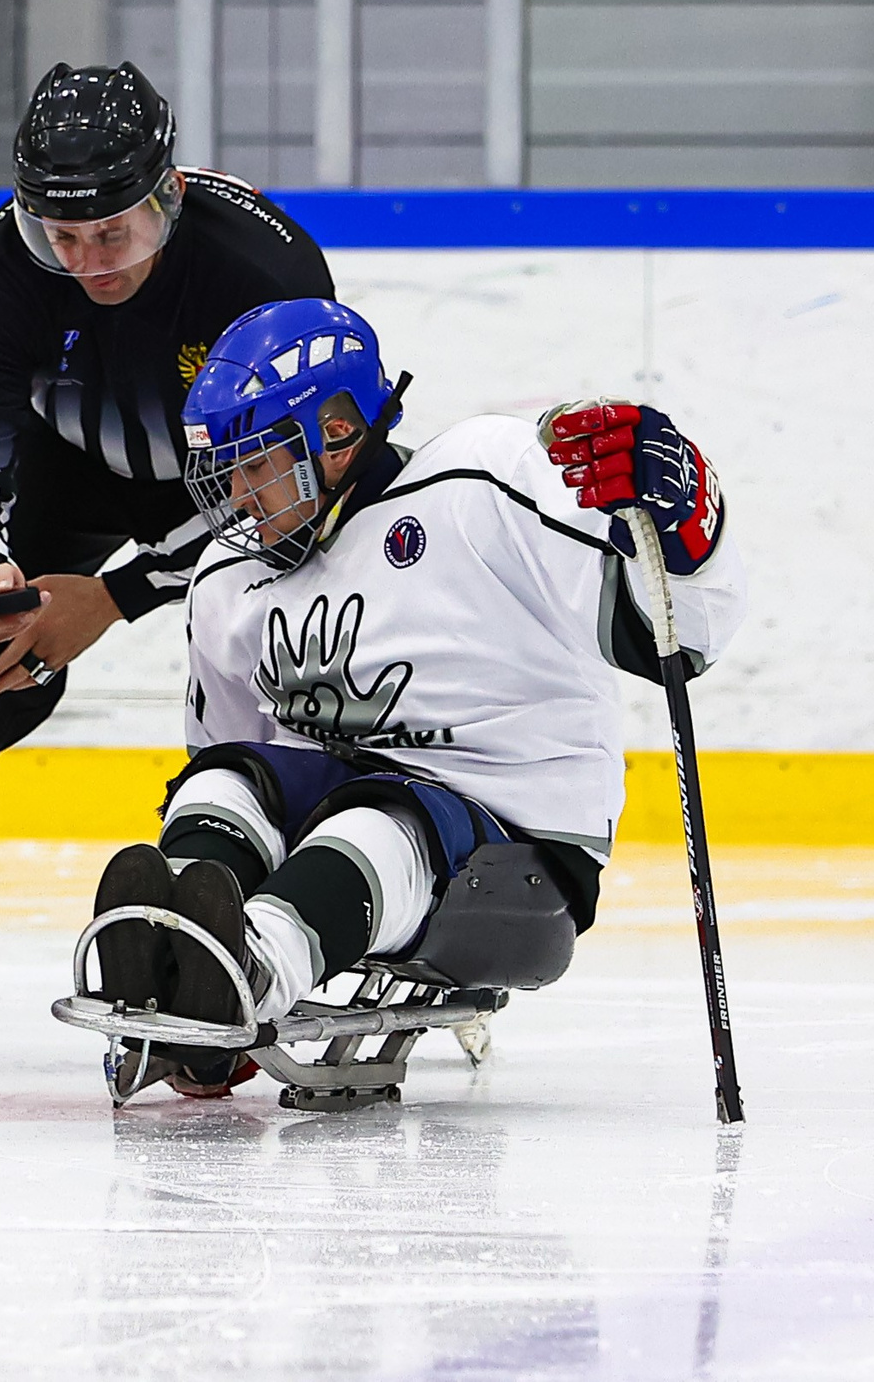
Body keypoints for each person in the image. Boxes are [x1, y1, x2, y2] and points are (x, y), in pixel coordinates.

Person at [80, 297, 747, 1094]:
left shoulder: (476, 484)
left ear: (336, 432)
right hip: (345, 822)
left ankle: (248, 975)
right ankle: (176, 970)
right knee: (222, 782)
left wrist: (687, 526)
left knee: (374, 818)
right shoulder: (227, 576)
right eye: (225, 471)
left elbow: (674, 637)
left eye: (255, 464)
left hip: (518, 843)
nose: (238, 497)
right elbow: (231, 751)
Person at [0, 62, 334, 1018]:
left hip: (245, 474)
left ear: (168, 196)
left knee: (301, 647)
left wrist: (116, 596)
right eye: (62, 237)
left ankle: (301, 925)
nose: (88, 262)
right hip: (67, 469)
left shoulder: (264, 270)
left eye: (113, 232)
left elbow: (299, 485)